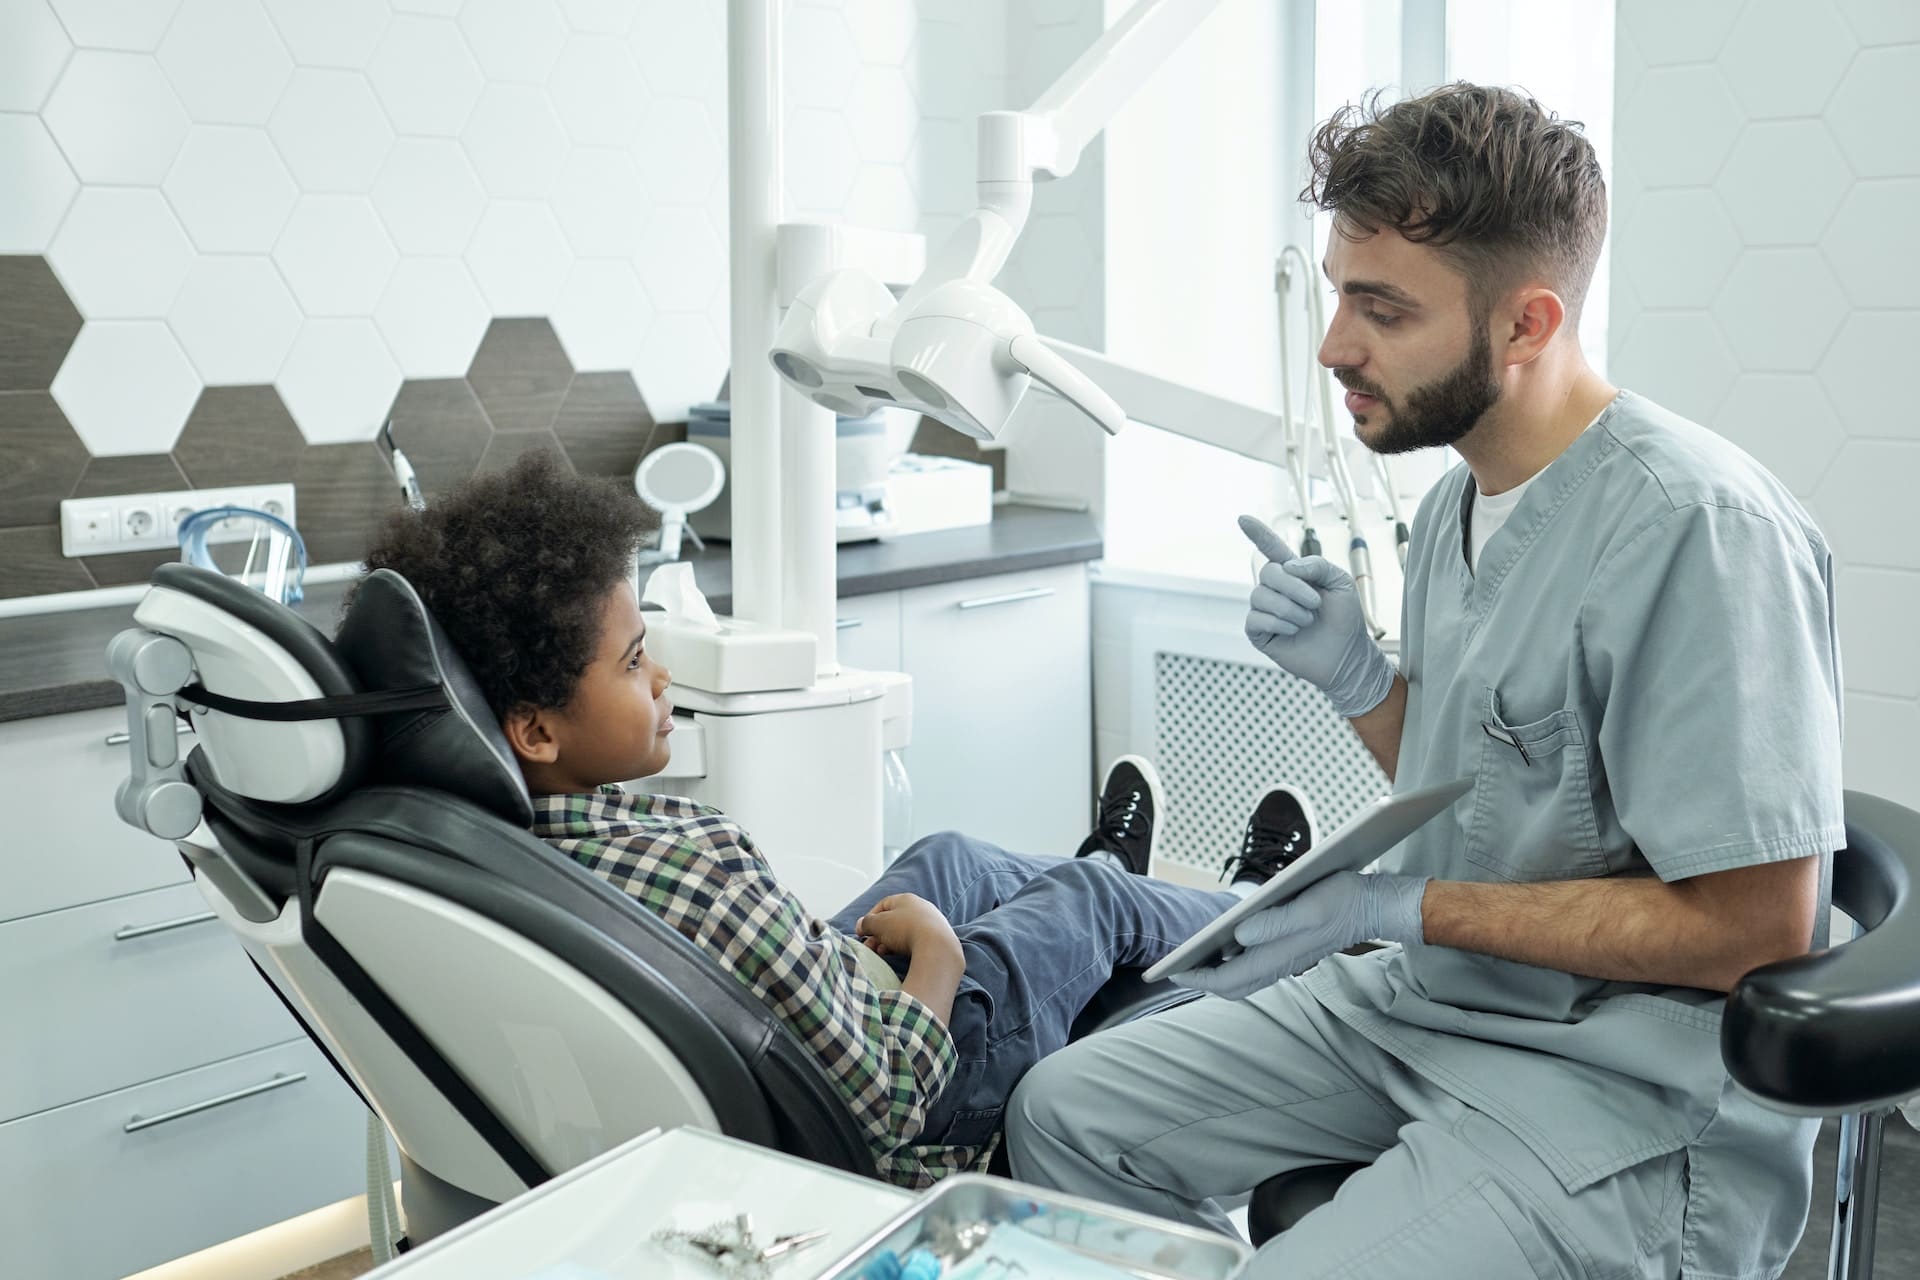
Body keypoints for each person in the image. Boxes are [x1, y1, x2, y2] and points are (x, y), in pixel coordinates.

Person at [1005, 82, 1843, 1280]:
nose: (1335, 343)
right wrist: (1357, 681)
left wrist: (1396, 906)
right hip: (1436, 1002)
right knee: (1060, 1110)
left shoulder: (1698, 529)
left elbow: (1755, 929)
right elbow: (1484, 788)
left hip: (1623, 1083)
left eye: (1383, 309)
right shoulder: (1457, 498)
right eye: (1345, 291)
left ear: (1526, 324)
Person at [355, 450, 1311, 1188]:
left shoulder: (532, 831)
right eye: (633, 658)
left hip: (825, 1000)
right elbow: (894, 1101)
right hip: (932, 1086)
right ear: (532, 728)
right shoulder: (703, 868)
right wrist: (935, 952)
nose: (662, 676)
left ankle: (1124, 904)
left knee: (948, 854)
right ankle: (1262, 905)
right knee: (1087, 898)